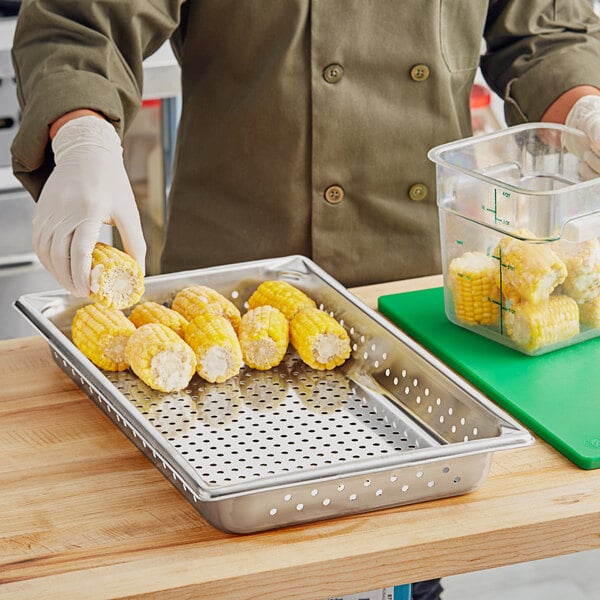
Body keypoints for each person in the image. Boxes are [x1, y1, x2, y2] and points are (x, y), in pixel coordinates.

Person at [9, 2, 600, 599]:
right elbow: (81, 19)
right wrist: (82, 133)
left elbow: (545, 30)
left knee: (399, 564)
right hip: (231, 296)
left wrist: (586, 110)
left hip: (402, 307)